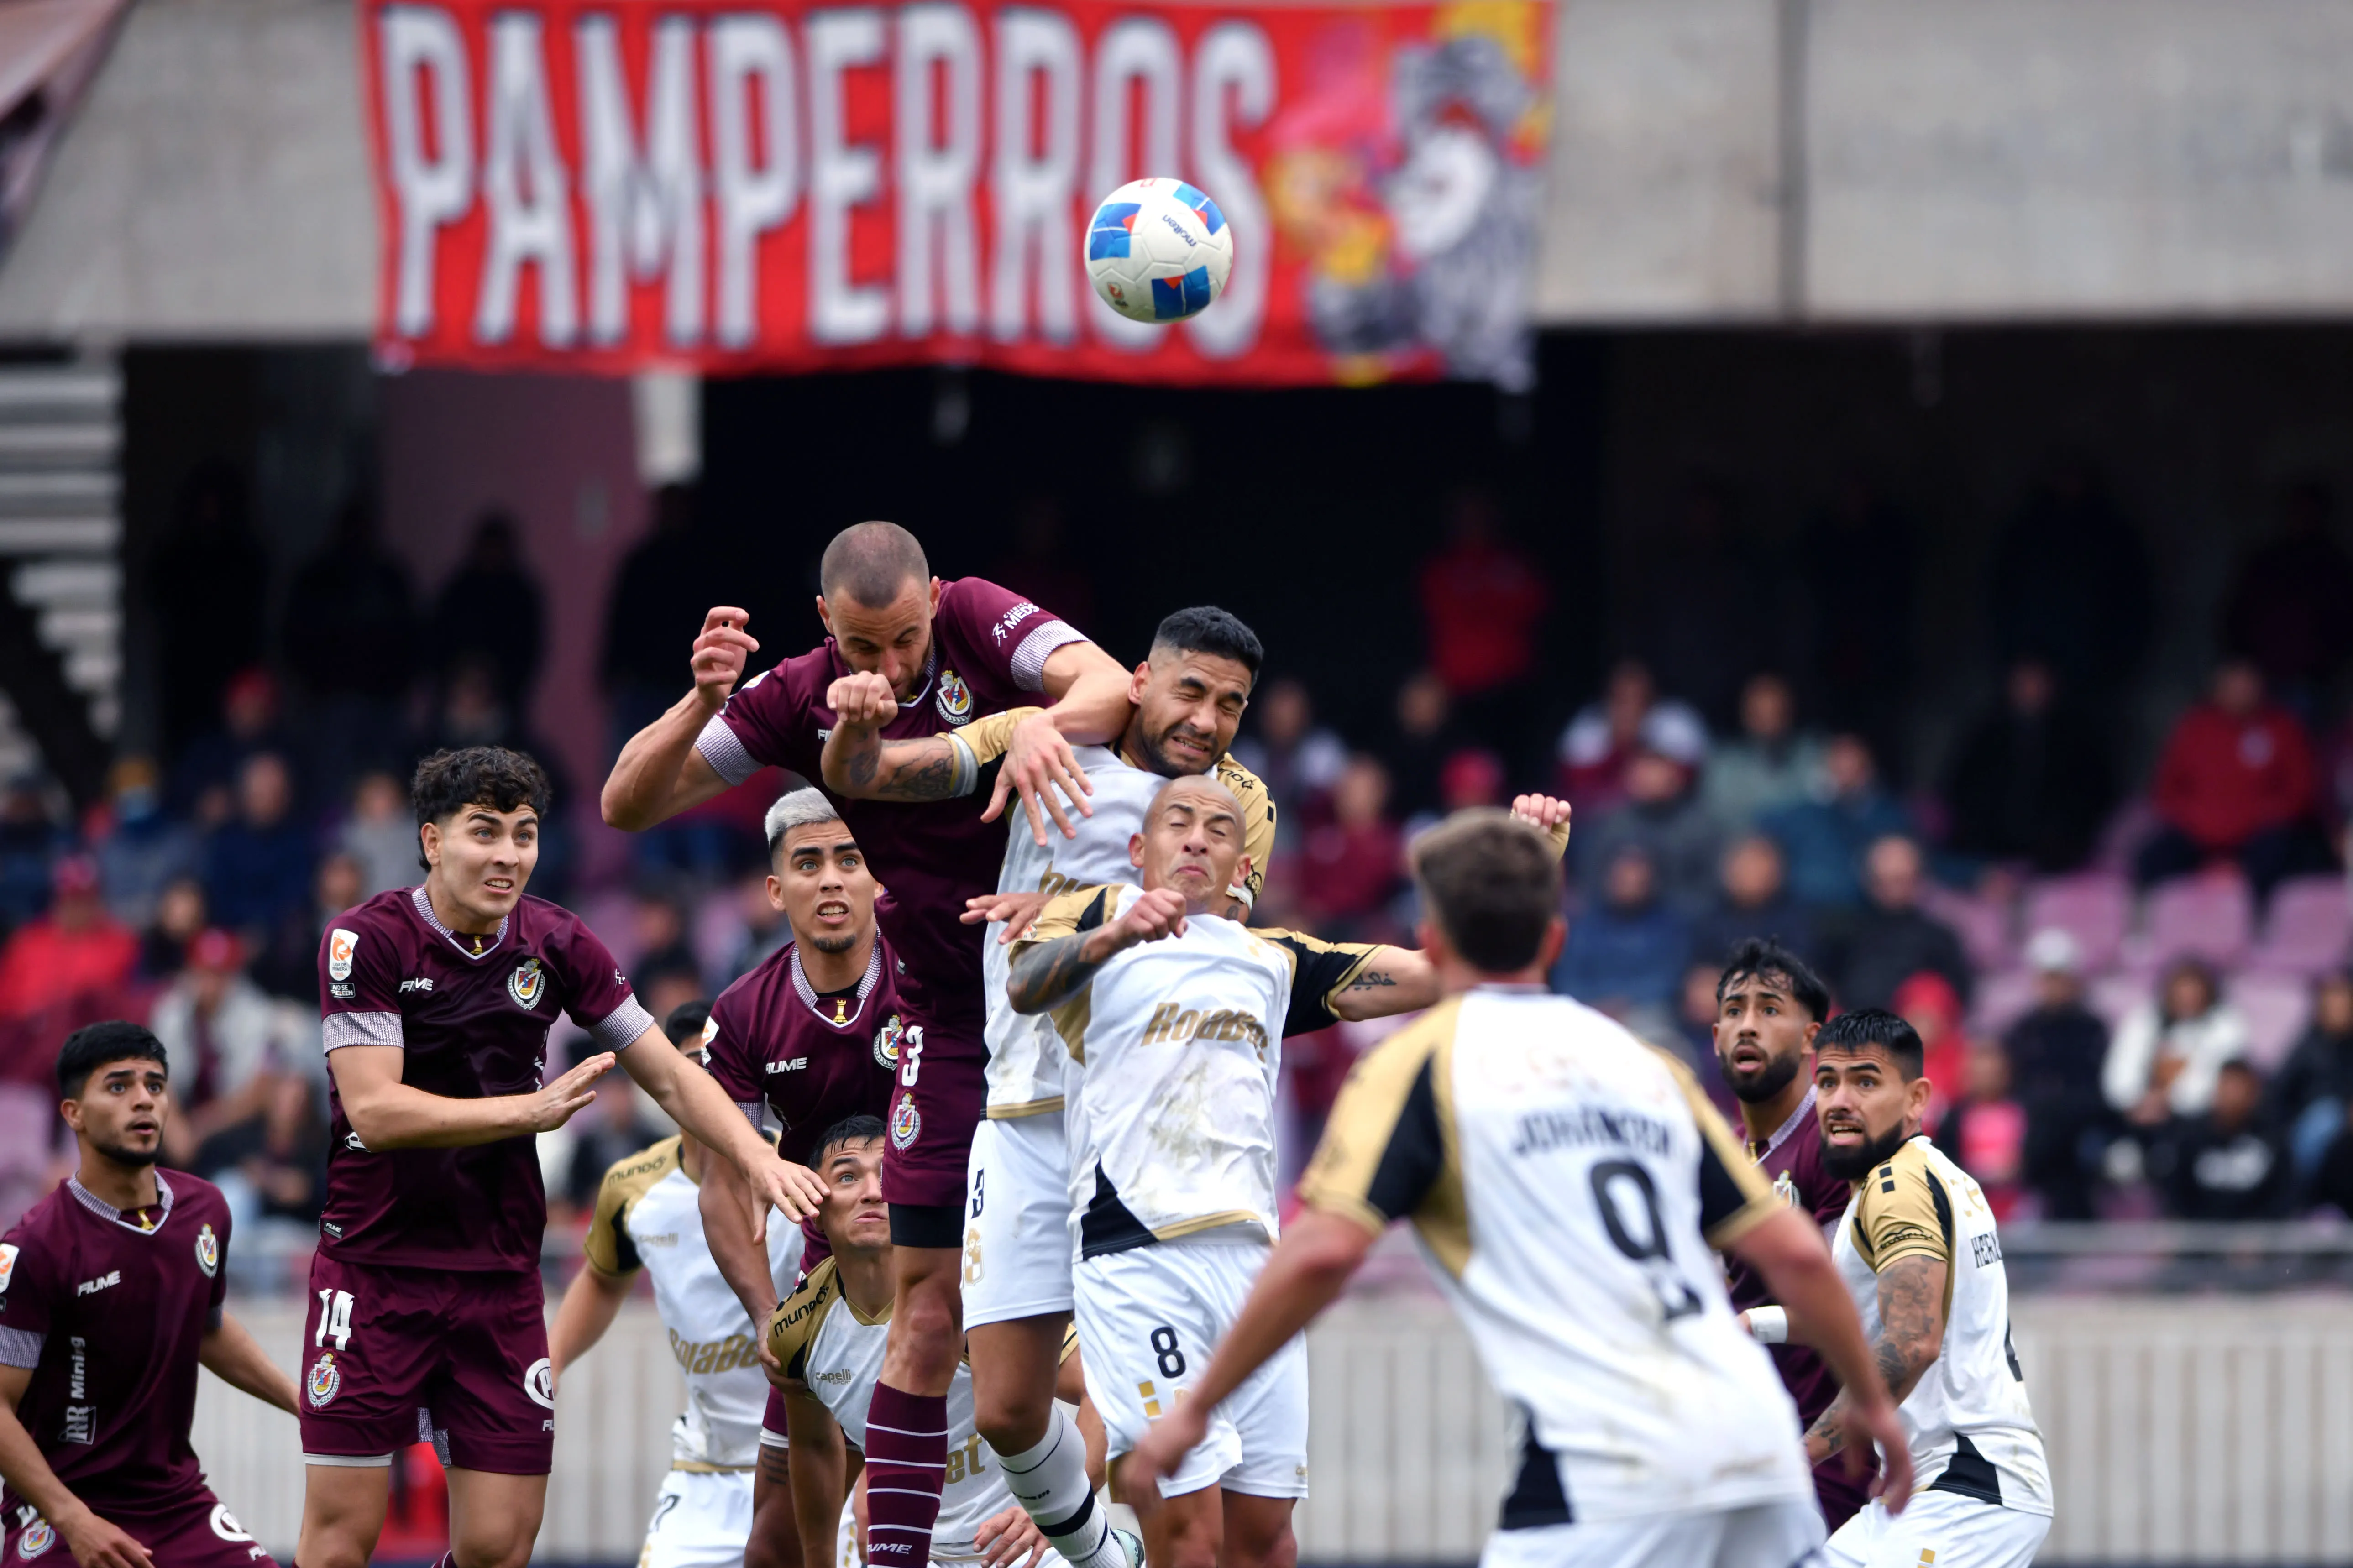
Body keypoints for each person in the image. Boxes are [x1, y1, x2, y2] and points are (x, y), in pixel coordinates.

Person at [1122, 810, 1908, 1568]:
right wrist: (1872, 1405)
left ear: (1431, 942)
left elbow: (1323, 1253)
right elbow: (1793, 1253)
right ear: (1554, 939)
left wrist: (1197, 1407)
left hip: (1605, 1455)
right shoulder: (1644, 1065)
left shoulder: (1419, 1064)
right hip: (1756, 1440)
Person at [600, 523, 1137, 1568]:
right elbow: (629, 802)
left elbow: (1112, 685)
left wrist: (1034, 724)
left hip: (1066, 996)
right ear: (822, 624)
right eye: (862, 646)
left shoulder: (976, 615)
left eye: (904, 640)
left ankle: (1113, 1537)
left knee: (1099, 1324)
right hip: (949, 1020)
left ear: (934, 600)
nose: (888, 667)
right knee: (924, 1317)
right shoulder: (797, 697)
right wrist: (702, 700)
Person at [296, 747, 823, 1568]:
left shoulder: (558, 941)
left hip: (499, 1278)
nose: (508, 855)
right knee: (337, 1546)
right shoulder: (366, 940)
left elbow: (671, 1077)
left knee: (499, 1546)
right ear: (432, 841)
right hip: (374, 1270)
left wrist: (758, 1160)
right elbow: (375, 1110)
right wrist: (527, 1112)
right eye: (485, 832)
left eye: (525, 834)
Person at [830, 607, 1276, 1568]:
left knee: (1175, 1456)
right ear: (1140, 681)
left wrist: (1070, 908)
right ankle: (1103, 1555)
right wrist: (1010, 725)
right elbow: (878, 775)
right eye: (1190, 691)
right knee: (1004, 1406)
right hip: (1021, 1105)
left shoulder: (1238, 800)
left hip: (1136, 1131)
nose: (1206, 720)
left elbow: (1213, 930)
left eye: (1231, 704)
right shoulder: (1039, 730)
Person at [0, 1020, 300, 1568]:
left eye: (155, 1085)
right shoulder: (34, 1247)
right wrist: (74, 1518)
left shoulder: (205, 1210)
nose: (143, 1100)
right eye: (119, 1086)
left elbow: (206, 1325)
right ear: (74, 1113)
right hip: (61, 1508)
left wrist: (301, 1403)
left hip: (176, 1503)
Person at [693, 789, 902, 1568]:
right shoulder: (744, 1014)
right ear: (777, 890)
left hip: (950, 1268)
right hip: (832, 1280)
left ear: (877, 876)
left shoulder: (933, 970)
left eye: (850, 859)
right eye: (809, 864)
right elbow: (723, 1184)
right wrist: (764, 1314)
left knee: (933, 1511)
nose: (832, 879)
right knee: (775, 1545)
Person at [766, 1117, 1109, 1568]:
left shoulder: (974, 1292)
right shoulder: (797, 1330)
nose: (872, 1192)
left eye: (887, 1174)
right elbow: (813, 1446)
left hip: (1034, 1548)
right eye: (847, 1177)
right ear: (815, 1206)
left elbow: (1103, 1387)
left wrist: (1058, 1510)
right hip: (922, 1555)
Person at [550, 999, 801, 1568]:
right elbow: (602, 1280)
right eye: (695, 1066)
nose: (711, 1082)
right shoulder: (632, 1188)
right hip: (706, 1473)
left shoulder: (797, 1168)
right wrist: (552, 1363)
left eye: (725, 1065)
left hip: (811, 1463)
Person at [1808, 1009, 2054, 1567]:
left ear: (1916, 1098)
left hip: (1966, 1487)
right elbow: (1871, 1313)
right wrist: (1757, 1323)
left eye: (1865, 1082)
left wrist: (1802, 1454)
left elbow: (1911, 1339)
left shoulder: (1894, 1185)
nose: (1840, 1100)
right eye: (1827, 1082)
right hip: (1938, 1486)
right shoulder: (1935, 1174)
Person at [1709, 939, 1875, 1532]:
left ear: (1811, 1038)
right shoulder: (1722, 1159)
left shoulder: (1835, 1145)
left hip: (1828, 1457)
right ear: (1716, 1037)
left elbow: (1850, 1305)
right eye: (1734, 1011)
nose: (1747, 1025)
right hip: (1746, 1448)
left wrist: (1746, 1324)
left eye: (1769, 1009)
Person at [2136, 659, 2329, 901]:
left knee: (2280, 855)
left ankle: (2263, 922)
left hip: (2258, 834)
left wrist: (2255, 819)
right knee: (2154, 857)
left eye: (2247, 685)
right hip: (2199, 833)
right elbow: (2166, 790)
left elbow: (2300, 792)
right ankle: (2155, 920)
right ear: (2217, 689)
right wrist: (2200, 821)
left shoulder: (2283, 729)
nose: (2240, 693)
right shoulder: (2194, 728)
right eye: (2233, 686)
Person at [1941, 658, 2117, 874]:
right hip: (1990, 843)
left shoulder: (2077, 735)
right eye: (2023, 683)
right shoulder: (1987, 733)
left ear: (2052, 686)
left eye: (2037, 683)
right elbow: (1961, 787)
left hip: (2057, 846)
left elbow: (2095, 791)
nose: (2030, 691)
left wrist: (2064, 826)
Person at [2000, 930, 2111, 1221]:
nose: (2054, 986)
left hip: (2081, 1126)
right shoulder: (2023, 1030)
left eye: (2060, 978)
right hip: (2036, 1125)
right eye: (2048, 978)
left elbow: (2099, 1089)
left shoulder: (2092, 1029)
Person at [1819, 836, 1971, 1012]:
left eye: (1901, 880)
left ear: (1919, 879)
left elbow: (1956, 996)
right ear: (1868, 880)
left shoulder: (1938, 937)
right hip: (1849, 1023)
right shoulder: (1843, 931)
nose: (1892, 889)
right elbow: (1821, 983)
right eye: (1883, 880)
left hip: (1912, 1026)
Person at [1761, 735, 1913, 910]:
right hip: (1799, 910)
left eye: (1854, 770)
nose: (1845, 779)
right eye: (1838, 770)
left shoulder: (1888, 818)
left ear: (1869, 773)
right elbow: (1763, 833)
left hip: (1865, 911)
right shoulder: (1801, 815)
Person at [2104, 959, 2249, 1129]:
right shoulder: (2146, 1019)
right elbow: (2123, 1067)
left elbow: (2217, 1082)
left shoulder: (2225, 1026)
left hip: (2199, 1121)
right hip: (2135, 1114)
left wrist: (2170, 1101)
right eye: (2181, 993)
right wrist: (2136, 1100)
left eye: (2194, 994)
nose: (2187, 1000)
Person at [1574, 747, 1720, 916]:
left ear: (1676, 779)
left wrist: (1653, 892)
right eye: (1644, 773)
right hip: (1613, 918)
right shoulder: (1611, 825)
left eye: (1657, 772)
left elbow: (1711, 890)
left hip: (1680, 921)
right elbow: (1590, 883)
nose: (1650, 780)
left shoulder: (1701, 829)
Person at [1551, 844, 1688, 1023]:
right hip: (1588, 1011)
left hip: (1645, 1014)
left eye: (1636, 879)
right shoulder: (1584, 926)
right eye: (1623, 879)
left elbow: (1668, 981)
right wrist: (1600, 1006)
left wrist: (1623, 1004)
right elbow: (1568, 980)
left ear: (1651, 881)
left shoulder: (1669, 927)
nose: (1629, 885)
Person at [1555, 658, 1707, 815]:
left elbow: (1690, 781)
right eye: (1622, 698)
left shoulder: (1675, 722)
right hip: (1601, 819)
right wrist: (1618, 745)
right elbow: (1575, 789)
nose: (1630, 706)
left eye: (1638, 697)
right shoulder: (1587, 727)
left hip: (1667, 815)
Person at [430, 512, 546, 715]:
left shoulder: (520, 595)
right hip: (454, 699)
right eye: (488, 547)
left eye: (497, 547)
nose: (492, 554)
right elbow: (438, 639)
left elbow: (528, 649)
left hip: (505, 701)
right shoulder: (459, 590)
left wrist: (504, 686)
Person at [0, 857, 136, 1025]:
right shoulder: (28, 943)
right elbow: (5, 1002)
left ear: (98, 901)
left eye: (84, 900)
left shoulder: (120, 945)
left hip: (89, 1035)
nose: (76, 908)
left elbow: (121, 1007)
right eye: (69, 899)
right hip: (27, 1035)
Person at [2155, 1058, 2287, 1221]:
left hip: (2258, 1232)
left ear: (2254, 1094)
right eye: (2227, 1086)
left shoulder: (2272, 1139)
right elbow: (2177, 1194)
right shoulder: (2192, 1137)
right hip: (2200, 1232)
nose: (2232, 1096)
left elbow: (2283, 1196)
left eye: (2239, 1089)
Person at [1700, 674, 1824, 836]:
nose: (1770, 723)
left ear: (1790, 713)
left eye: (1777, 713)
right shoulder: (1725, 766)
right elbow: (1718, 821)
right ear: (1746, 716)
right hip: (1743, 846)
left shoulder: (1813, 755)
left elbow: (1821, 810)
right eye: (1760, 715)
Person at [2272, 969, 2353, 1192]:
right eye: (2333, 1003)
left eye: (2345, 1004)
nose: (2339, 1010)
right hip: (2310, 1120)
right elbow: (2281, 1090)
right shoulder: (2309, 1044)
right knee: (2323, 1118)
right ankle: (2300, 1192)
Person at [1687, 835, 1814, 972]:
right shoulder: (1709, 919)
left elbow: (1798, 970)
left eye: (1758, 865)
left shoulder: (1798, 920)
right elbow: (1700, 971)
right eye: (1745, 865)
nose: (1751, 872)